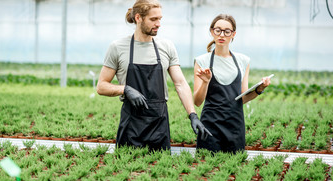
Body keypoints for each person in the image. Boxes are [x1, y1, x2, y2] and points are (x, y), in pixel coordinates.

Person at [97, 0, 211, 152]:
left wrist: (193, 115)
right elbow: (101, 86)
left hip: (159, 125)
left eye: (160, 19)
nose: (158, 24)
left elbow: (180, 84)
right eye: (153, 19)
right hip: (131, 125)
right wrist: (125, 89)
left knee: (160, 171)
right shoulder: (118, 47)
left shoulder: (166, 46)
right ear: (138, 18)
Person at [193, 14, 272, 153]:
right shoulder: (201, 61)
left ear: (233, 34)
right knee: (207, 170)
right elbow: (198, 101)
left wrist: (260, 88)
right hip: (210, 125)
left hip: (234, 126)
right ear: (212, 32)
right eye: (218, 30)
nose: (222, 34)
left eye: (227, 31)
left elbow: (243, 97)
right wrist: (205, 82)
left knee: (234, 169)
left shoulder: (243, 60)